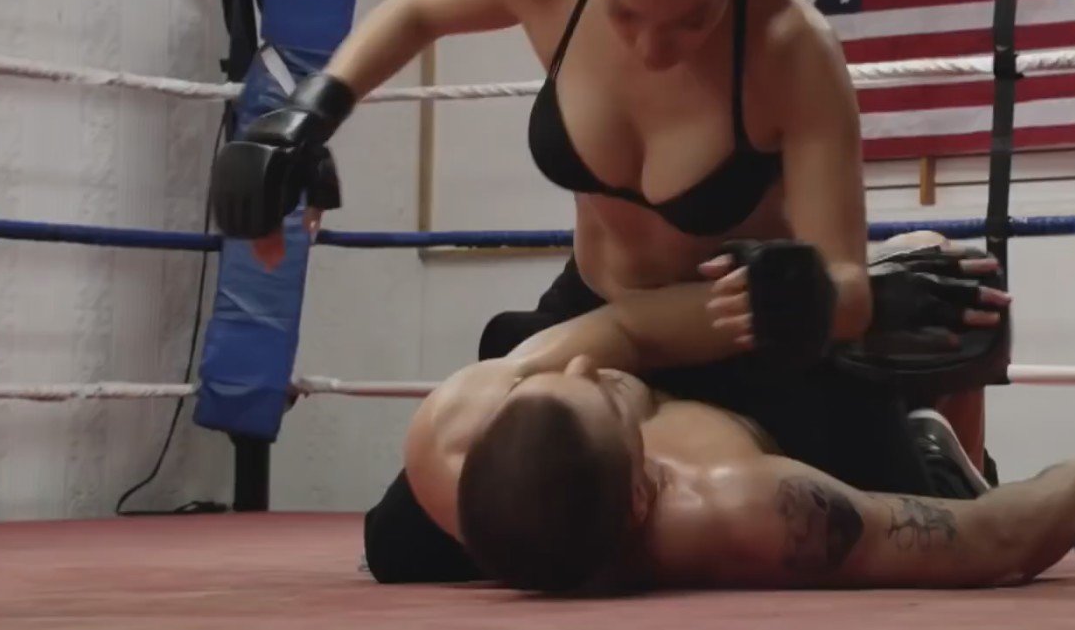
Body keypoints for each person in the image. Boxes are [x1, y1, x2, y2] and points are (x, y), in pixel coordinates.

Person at [209, 0, 1004, 463]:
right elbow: (419, 10)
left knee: (849, 533)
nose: (653, 46)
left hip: (734, 333)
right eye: (627, 13)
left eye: (690, 20)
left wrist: (818, 298)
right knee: (415, 543)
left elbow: (846, 287)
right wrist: (309, 113)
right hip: (593, 309)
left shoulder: (792, 48)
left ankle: (926, 445)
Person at [370, 304, 1075, 594]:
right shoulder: (744, 507)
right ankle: (930, 444)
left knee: (393, 543)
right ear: (644, 490)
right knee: (917, 364)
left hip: (692, 327)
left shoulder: (452, 431)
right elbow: (988, 542)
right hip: (785, 408)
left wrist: (829, 291)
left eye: (552, 382)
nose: (580, 368)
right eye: (599, 392)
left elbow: (621, 331)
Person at [363, 232, 1012, 584]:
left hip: (748, 308)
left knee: (944, 290)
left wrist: (846, 292)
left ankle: (946, 459)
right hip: (615, 306)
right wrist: (323, 106)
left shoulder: (783, 56)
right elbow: (625, 327)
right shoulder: (581, 32)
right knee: (397, 544)